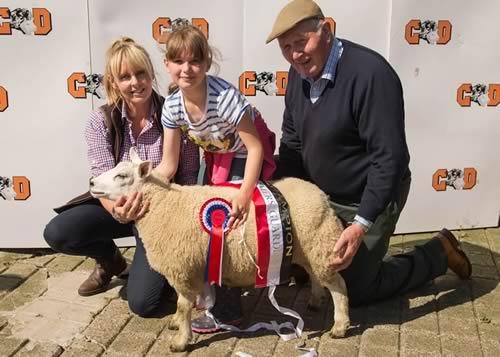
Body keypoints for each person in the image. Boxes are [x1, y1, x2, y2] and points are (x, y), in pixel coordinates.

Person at [265, 0, 472, 307]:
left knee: (354, 291)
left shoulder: (371, 75)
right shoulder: (298, 73)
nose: (296, 54)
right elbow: (292, 144)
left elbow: (390, 159)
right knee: (311, 269)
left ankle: (438, 252)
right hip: (321, 195)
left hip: (369, 196)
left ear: (326, 32)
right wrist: (279, 204)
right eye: (286, 47)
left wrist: (360, 224)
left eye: (302, 41)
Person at [43, 37, 200, 317]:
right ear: (114, 83)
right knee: (58, 233)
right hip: (115, 208)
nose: (135, 82)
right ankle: (110, 261)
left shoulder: (176, 116)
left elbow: (187, 179)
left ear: (152, 74)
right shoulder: (100, 120)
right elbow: (102, 180)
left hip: (159, 216)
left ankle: (166, 275)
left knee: (144, 304)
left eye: (141, 73)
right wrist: (118, 211)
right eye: (125, 77)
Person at [156, 24, 276, 333]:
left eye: (195, 61)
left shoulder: (224, 98)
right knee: (204, 223)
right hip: (215, 156)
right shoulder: (171, 107)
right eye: (178, 61)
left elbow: (255, 148)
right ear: (167, 64)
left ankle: (228, 312)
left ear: (207, 63)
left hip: (244, 154)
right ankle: (205, 294)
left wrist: (243, 193)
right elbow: (168, 165)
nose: (187, 69)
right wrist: (144, 189)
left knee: (228, 223)